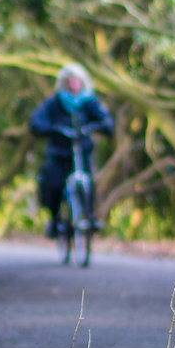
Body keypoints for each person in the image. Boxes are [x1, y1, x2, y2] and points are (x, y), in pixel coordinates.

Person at [29, 63, 114, 238]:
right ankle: (54, 219)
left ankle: (90, 216)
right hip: (59, 153)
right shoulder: (55, 102)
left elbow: (105, 120)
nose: (74, 84)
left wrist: (103, 126)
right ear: (65, 83)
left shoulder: (88, 102)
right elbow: (37, 121)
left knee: (88, 182)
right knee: (54, 184)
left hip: (81, 152)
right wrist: (50, 128)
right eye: (70, 81)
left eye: (77, 81)